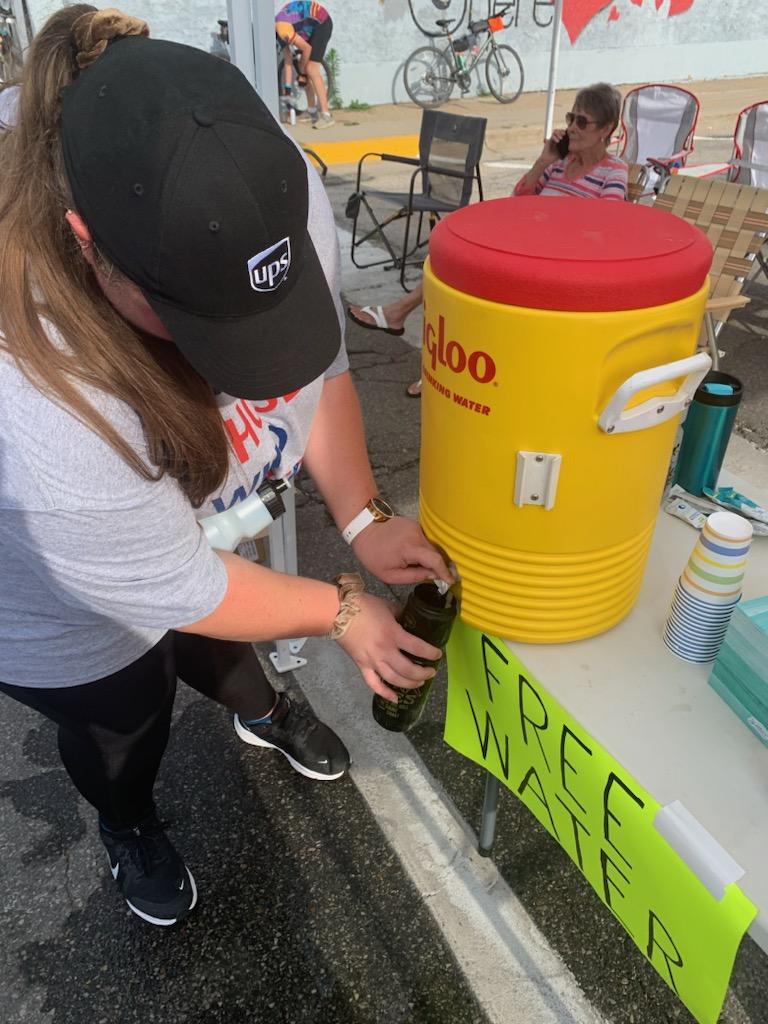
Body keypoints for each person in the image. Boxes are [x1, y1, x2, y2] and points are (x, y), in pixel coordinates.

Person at [0, 5, 453, 928]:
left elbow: (315, 358)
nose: (245, 368)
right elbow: (174, 581)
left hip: (174, 536)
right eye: (195, 316)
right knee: (126, 708)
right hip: (52, 592)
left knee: (222, 634)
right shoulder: (35, 398)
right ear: (87, 244)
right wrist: (342, 611)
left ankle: (261, 708)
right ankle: (127, 820)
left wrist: (363, 516)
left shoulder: (255, 174)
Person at [347, 82, 628, 397]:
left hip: (560, 269)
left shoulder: (613, 172)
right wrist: (543, 161)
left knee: (477, 286)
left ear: (606, 128)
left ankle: (412, 330)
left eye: (582, 122)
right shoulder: (560, 164)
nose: (572, 128)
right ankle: (431, 354)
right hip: (527, 251)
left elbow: (604, 229)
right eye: (570, 118)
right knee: (453, 264)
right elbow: (519, 198)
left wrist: (555, 223)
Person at [275, 1, 334, 129]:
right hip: (310, 25)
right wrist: (288, 91)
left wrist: (302, 73)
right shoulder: (278, 29)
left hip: (322, 23)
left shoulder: (282, 31)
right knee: (304, 70)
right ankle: (312, 112)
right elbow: (288, 63)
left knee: (310, 69)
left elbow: (306, 49)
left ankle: (326, 115)